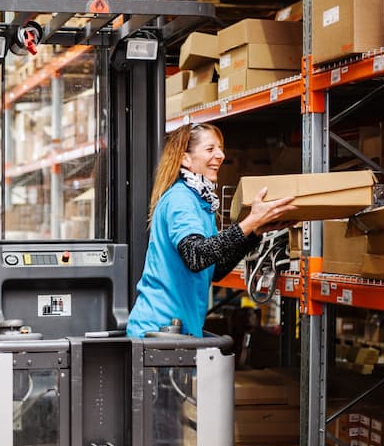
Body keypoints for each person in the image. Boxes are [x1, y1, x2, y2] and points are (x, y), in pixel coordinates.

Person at [127, 123, 297, 338]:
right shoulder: (181, 199)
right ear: (185, 158)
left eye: (220, 148)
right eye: (210, 149)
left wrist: (254, 232)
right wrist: (250, 222)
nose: (220, 155)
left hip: (178, 330)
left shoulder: (201, 202)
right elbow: (196, 256)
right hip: (158, 330)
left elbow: (213, 269)